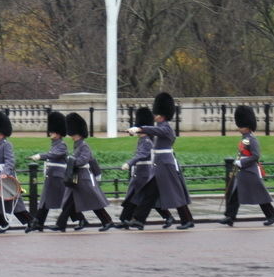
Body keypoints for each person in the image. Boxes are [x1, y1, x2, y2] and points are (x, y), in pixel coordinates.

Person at [126, 92, 194, 230]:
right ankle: (138, 220)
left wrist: (140, 128)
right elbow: (152, 131)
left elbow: (155, 130)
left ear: (161, 115)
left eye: (156, 114)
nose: (154, 116)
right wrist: (138, 130)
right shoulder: (159, 128)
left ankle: (187, 220)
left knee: (176, 192)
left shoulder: (166, 128)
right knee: (148, 193)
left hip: (166, 164)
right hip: (159, 165)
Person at [49, 113, 115, 232]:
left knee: (94, 202)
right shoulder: (77, 145)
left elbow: (83, 160)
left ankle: (108, 221)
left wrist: (71, 161)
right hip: (76, 178)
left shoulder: (84, 146)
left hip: (84, 178)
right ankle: (61, 224)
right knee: (68, 203)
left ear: (77, 132)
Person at [218, 105, 274, 227]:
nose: (240, 128)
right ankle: (230, 217)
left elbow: (256, 156)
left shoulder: (252, 139)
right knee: (235, 195)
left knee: (260, 195)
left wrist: (242, 162)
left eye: (242, 126)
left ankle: (272, 215)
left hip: (251, 172)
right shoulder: (245, 138)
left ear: (248, 126)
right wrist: (238, 161)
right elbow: (243, 153)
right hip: (243, 172)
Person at [116, 107, 174, 229]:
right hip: (140, 173)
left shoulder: (147, 141)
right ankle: (126, 220)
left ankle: (166, 217)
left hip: (145, 174)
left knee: (144, 198)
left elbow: (142, 154)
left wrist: (129, 163)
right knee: (137, 198)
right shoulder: (143, 139)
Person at [0, 110, 32, 233]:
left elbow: (10, 161)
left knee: (15, 205)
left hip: (5, 179)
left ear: (2, 133)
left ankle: (31, 222)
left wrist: (5, 172)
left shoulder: (6, 145)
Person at [28, 111, 70, 232]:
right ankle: (38, 223)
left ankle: (80, 218)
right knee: (46, 200)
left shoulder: (62, 145)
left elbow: (53, 155)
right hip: (51, 176)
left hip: (58, 177)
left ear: (58, 133)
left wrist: (40, 156)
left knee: (65, 201)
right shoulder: (55, 144)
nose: (50, 133)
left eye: (53, 131)